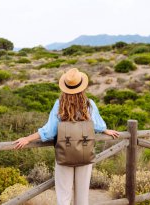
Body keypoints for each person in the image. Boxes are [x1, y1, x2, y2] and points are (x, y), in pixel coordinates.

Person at [13, 68, 120, 205]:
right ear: (82, 86)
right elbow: (98, 125)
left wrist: (27, 139)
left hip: (65, 154)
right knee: (82, 197)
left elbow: (49, 131)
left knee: (63, 195)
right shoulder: (89, 104)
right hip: (85, 153)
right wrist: (106, 131)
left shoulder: (60, 105)